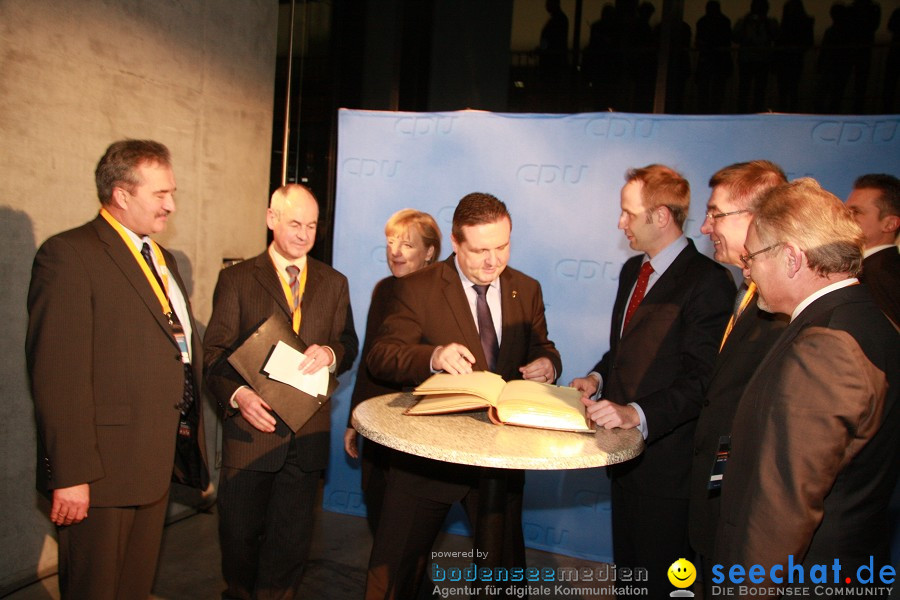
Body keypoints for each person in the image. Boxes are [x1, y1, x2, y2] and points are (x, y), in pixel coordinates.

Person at [26, 139, 209, 599]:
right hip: (99, 472)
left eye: (173, 192)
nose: (171, 205)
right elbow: (58, 376)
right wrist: (70, 474)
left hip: (151, 462)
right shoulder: (69, 255)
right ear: (121, 195)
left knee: (132, 588)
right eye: (160, 194)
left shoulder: (159, 258)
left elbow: (174, 347)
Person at [364, 192, 561, 599]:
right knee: (395, 574)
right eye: (480, 250)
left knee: (501, 579)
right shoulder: (416, 289)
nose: (494, 261)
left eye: (503, 246)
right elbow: (381, 357)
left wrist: (549, 364)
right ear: (455, 243)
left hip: (499, 462)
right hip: (425, 461)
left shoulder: (526, 289)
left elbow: (543, 346)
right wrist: (433, 356)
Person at [714, 179, 899, 595]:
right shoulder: (864, 317)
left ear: (793, 258)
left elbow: (783, 506)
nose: (748, 270)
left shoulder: (826, 345)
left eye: (753, 257)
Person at [571, 164, 733, 600]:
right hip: (623, 459)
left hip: (670, 471)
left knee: (663, 585)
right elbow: (622, 352)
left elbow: (702, 380)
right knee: (631, 580)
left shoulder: (709, 283)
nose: (619, 222)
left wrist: (635, 413)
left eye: (628, 213)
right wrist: (596, 377)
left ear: (660, 216)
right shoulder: (632, 271)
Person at [203, 184, 358, 600]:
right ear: (271, 219)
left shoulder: (334, 282)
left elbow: (348, 343)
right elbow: (214, 354)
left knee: (290, 547)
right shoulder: (236, 280)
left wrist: (329, 352)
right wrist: (239, 396)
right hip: (250, 436)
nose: (304, 234)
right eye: (294, 224)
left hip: (306, 437)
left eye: (311, 225)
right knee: (238, 541)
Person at [687, 160, 789, 594]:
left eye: (716, 214)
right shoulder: (746, 291)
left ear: (757, 217)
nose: (706, 227)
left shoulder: (785, 307)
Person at [343, 208, 442, 535]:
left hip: (423, 428)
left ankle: (413, 587)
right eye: (390, 242)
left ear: (429, 252)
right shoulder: (384, 289)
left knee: (410, 528)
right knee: (378, 507)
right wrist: (354, 419)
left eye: (407, 245)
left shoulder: (446, 295)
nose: (395, 252)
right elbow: (369, 360)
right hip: (378, 421)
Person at [845, 173, 900, 327]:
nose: (845, 217)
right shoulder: (873, 271)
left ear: (890, 224)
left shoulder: (879, 275)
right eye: (846, 211)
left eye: (856, 212)